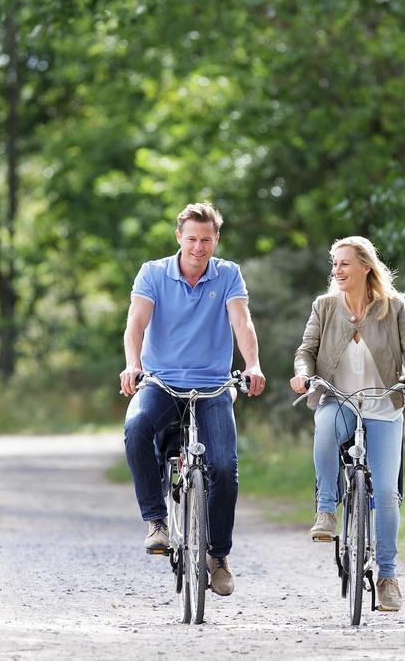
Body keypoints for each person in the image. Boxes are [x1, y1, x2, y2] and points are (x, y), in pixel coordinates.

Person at [120, 202, 266, 597]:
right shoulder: (153, 273)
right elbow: (136, 323)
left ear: (216, 239)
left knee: (223, 466)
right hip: (162, 382)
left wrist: (252, 364)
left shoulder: (228, 274)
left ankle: (217, 556)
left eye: (206, 240)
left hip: (214, 385)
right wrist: (133, 365)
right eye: (191, 239)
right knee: (136, 427)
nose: (199, 247)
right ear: (178, 238)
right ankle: (156, 520)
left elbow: (241, 321)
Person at [290, 235, 405, 612]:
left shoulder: (392, 307)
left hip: (383, 405)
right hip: (338, 398)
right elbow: (307, 351)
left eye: (344, 263)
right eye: (334, 264)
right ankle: (326, 510)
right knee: (324, 432)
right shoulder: (324, 306)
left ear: (365, 267)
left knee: (385, 493)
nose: (336, 270)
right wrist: (302, 374)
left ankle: (387, 577)